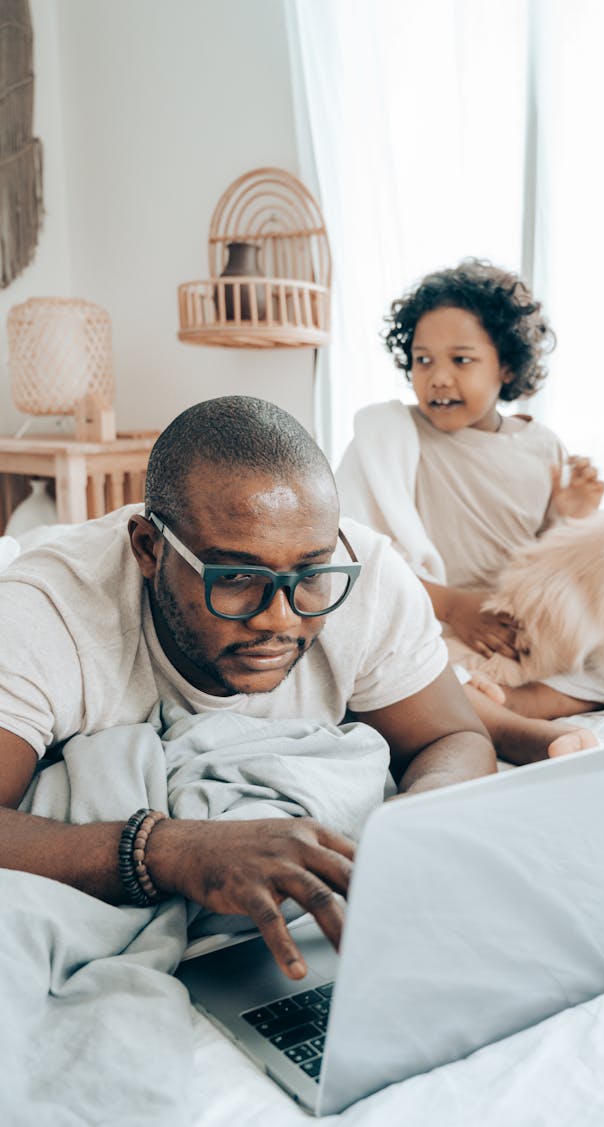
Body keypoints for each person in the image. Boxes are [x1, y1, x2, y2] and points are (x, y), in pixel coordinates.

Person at [0, 395, 496, 980]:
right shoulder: (44, 614)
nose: (280, 619)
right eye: (236, 576)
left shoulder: (369, 577)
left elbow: (453, 736)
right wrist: (172, 851)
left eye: (310, 574)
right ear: (148, 549)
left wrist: (407, 829)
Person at [335, 259, 604, 763]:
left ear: (506, 367)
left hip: (531, 623)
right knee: (384, 665)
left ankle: (538, 701)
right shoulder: (387, 437)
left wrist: (573, 517)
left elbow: (559, 566)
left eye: (461, 360)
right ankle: (505, 723)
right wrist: (454, 606)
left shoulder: (541, 447)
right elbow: (355, 551)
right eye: (422, 360)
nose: (436, 378)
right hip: (439, 620)